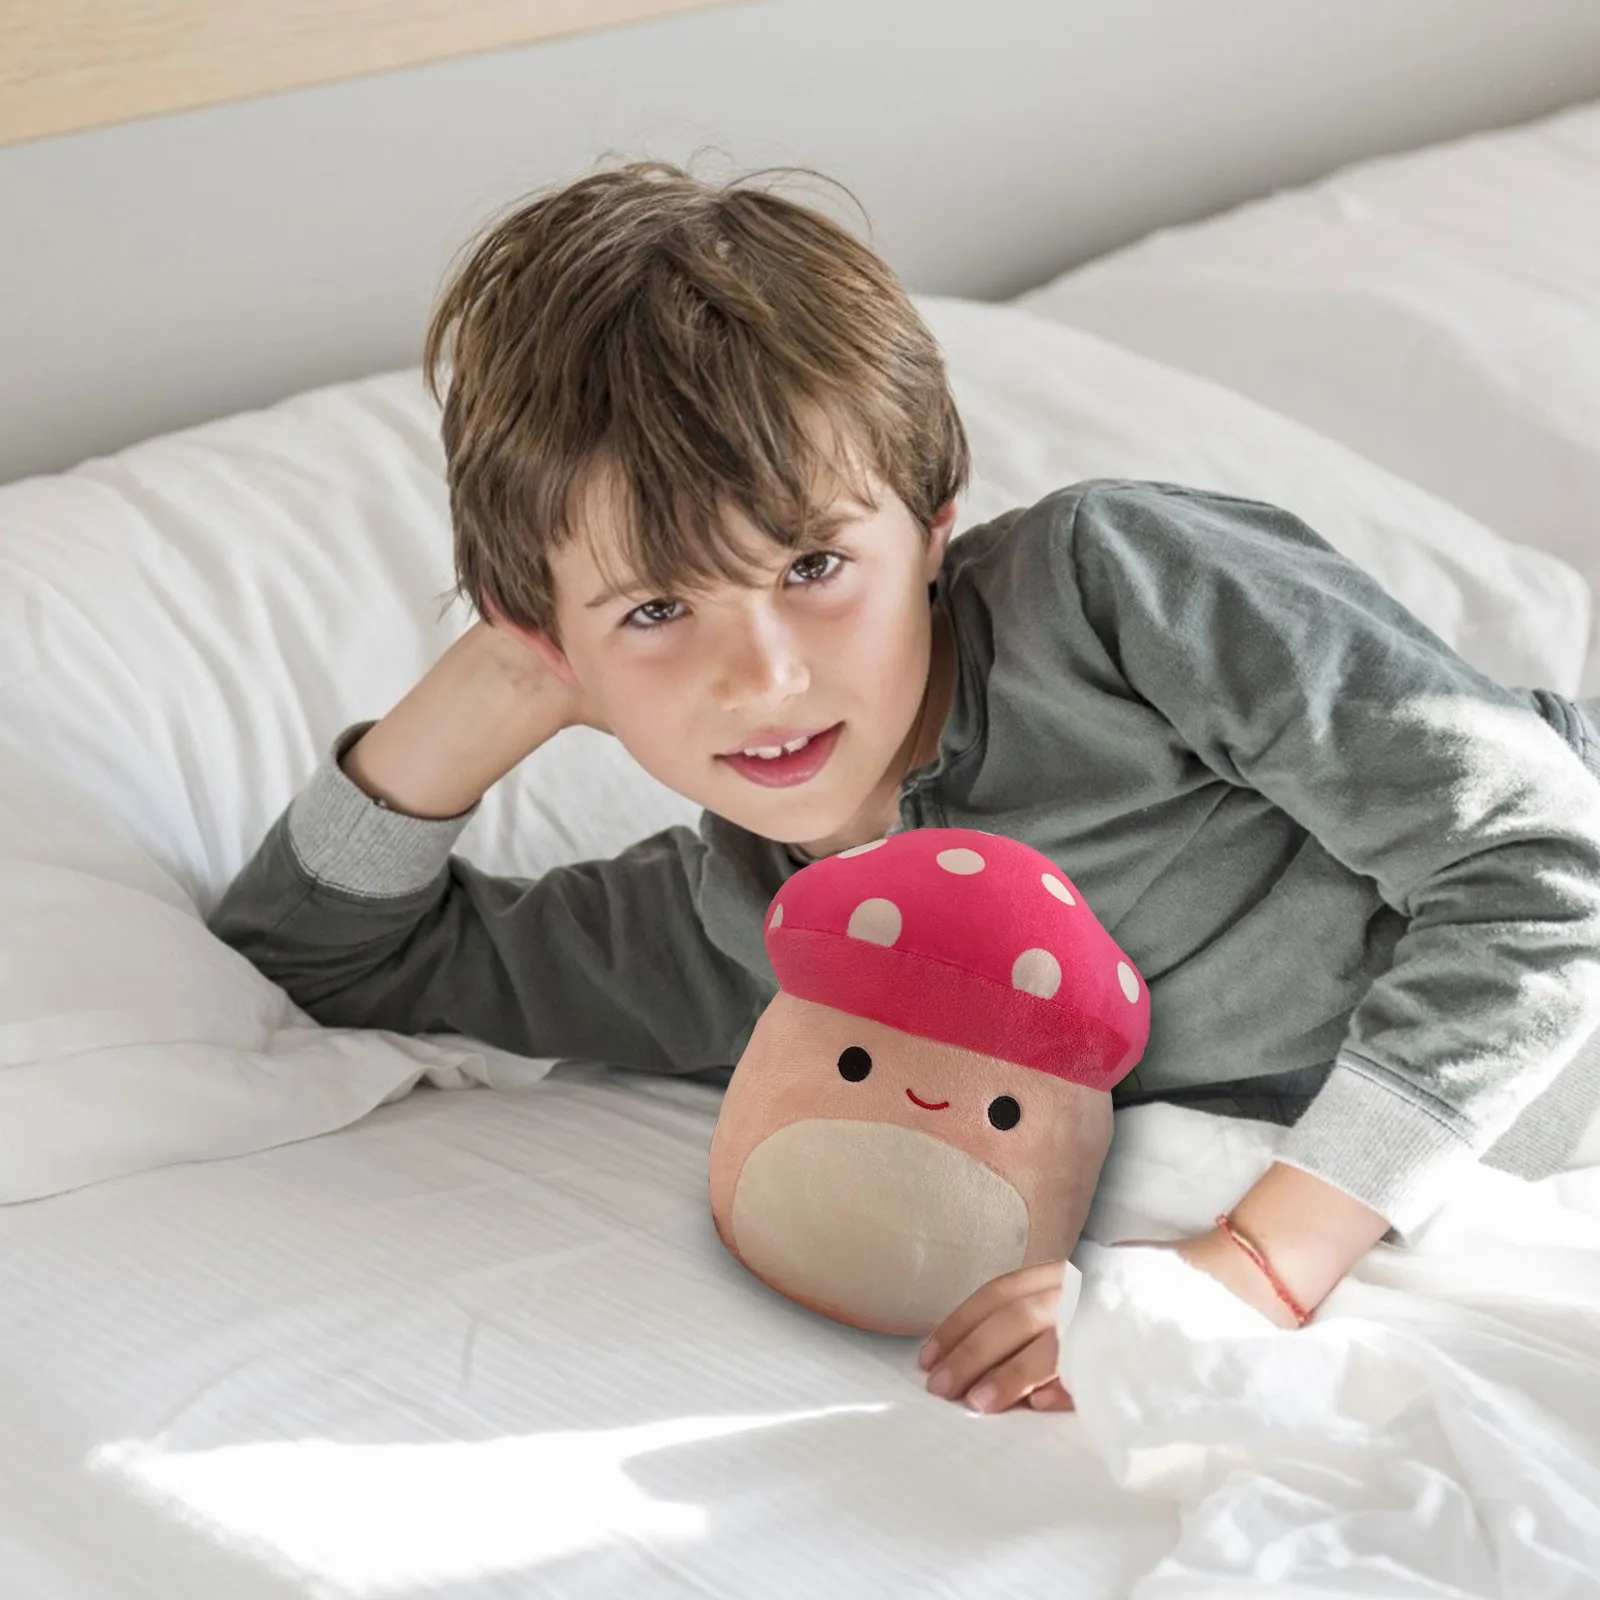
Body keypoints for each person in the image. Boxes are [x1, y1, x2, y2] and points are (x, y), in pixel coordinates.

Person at [212, 160, 1600, 1417]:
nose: (763, 678)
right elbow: (318, 954)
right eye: (656, 610)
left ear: (932, 528)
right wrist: (479, 699)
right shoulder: (740, 935)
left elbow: (1541, 862)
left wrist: (1255, 1265)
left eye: (814, 567)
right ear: (552, 640)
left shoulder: (1106, 592)